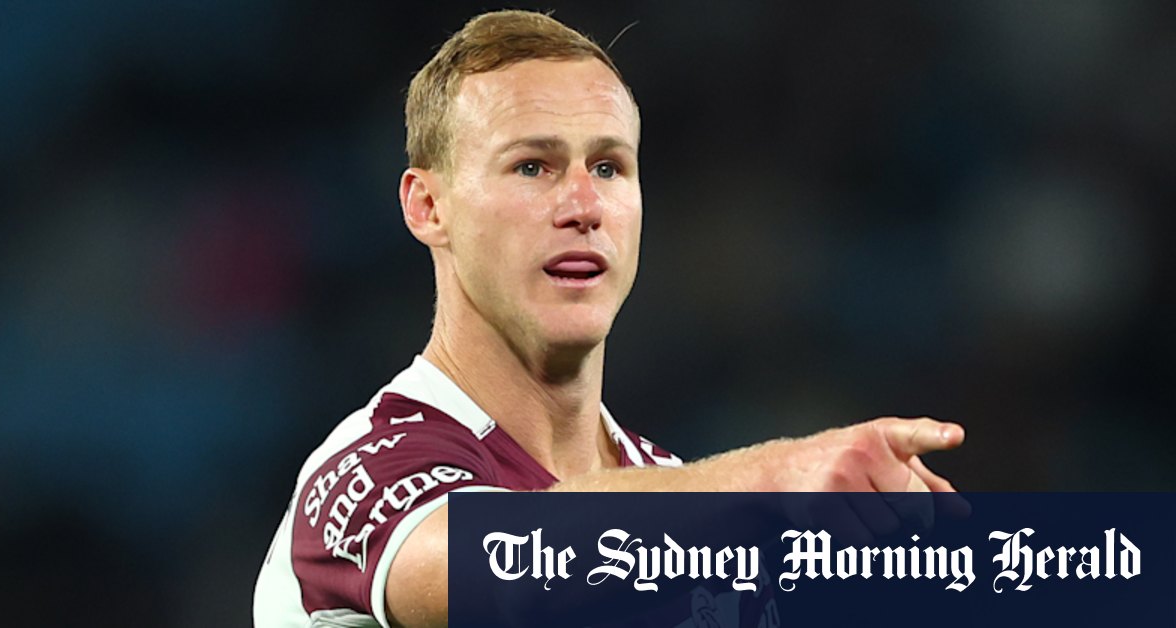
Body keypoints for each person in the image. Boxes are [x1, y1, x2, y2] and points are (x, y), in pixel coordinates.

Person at [253, 9, 965, 628]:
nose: (583, 207)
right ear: (427, 206)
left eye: (608, 167)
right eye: (532, 166)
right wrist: (778, 478)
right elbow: (511, 571)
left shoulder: (675, 492)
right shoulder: (366, 471)